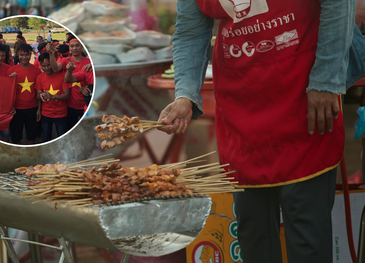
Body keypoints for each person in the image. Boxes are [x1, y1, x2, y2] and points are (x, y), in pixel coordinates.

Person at [156, 1, 365, 263]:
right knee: (253, 238)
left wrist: (326, 79)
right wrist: (185, 93)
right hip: (241, 111)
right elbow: (190, 29)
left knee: (307, 239)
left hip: (304, 97)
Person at [49, 35, 92, 129]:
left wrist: (87, 87)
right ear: (69, 48)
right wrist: (51, 54)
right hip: (70, 104)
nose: (74, 48)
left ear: (82, 47)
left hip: (86, 104)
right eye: (72, 46)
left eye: (77, 45)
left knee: (86, 129)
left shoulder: (89, 62)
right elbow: (55, 68)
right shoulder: (65, 61)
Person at [6, 43, 42, 145]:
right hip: (16, 110)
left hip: (32, 108)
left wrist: (39, 109)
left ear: (30, 55)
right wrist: (9, 80)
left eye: (27, 55)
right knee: (16, 137)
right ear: (17, 55)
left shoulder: (37, 71)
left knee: (31, 136)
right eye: (21, 55)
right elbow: (7, 92)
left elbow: (39, 91)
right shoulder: (11, 71)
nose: (24, 57)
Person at [35, 52, 70, 142]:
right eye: (44, 66)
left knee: (61, 138)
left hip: (61, 113)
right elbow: (38, 96)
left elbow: (67, 95)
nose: (47, 68)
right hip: (46, 113)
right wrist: (41, 96)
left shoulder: (62, 75)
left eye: (49, 65)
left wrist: (52, 96)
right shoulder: (40, 77)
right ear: (40, 65)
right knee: (46, 138)